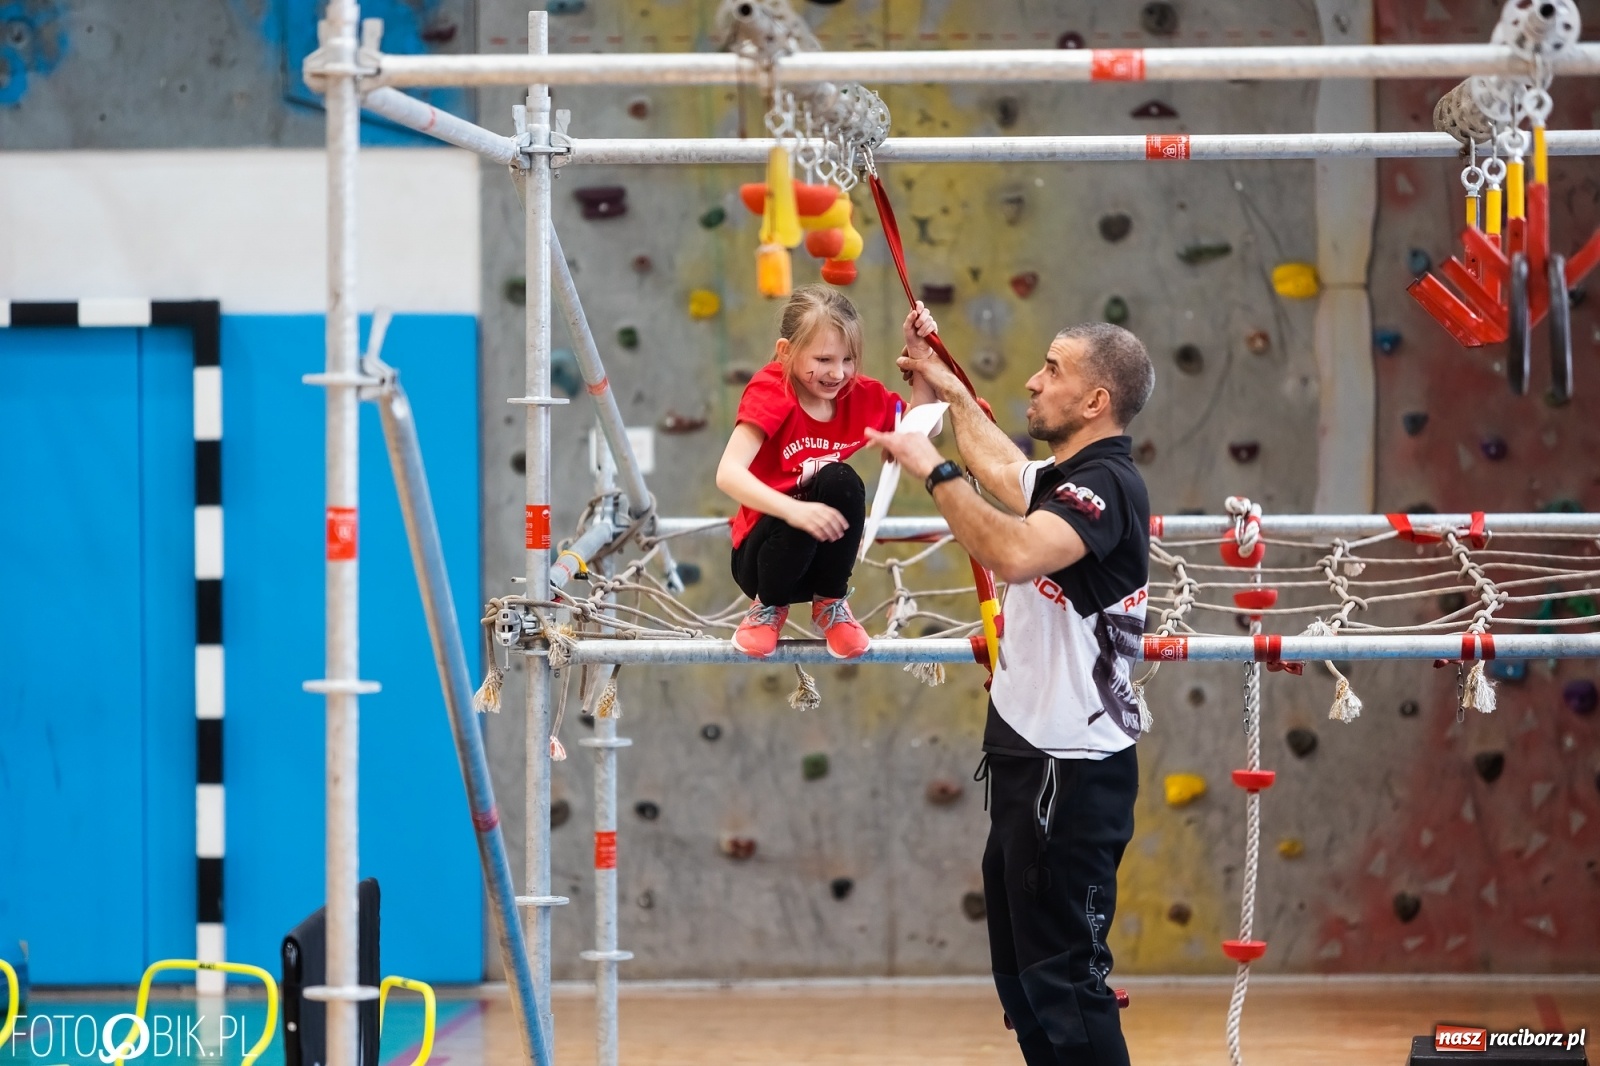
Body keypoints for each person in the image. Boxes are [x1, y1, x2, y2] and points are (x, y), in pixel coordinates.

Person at [868, 323, 1155, 1066]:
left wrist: (930, 468)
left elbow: (1015, 551)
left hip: (1075, 770)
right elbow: (1000, 464)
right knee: (1025, 987)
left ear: (1094, 400)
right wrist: (947, 383)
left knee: (1066, 986)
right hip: (1029, 762)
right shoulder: (1065, 480)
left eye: (1050, 369)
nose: (1032, 380)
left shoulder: (1107, 486)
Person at [716, 285, 939, 659]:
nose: (837, 373)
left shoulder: (856, 394)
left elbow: (925, 426)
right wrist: (795, 509)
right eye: (823, 360)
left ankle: (831, 604)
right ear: (786, 352)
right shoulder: (774, 390)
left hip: (820, 566)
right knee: (806, 499)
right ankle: (766, 610)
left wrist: (920, 354)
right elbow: (728, 473)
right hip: (764, 563)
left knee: (842, 480)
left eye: (848, 359)